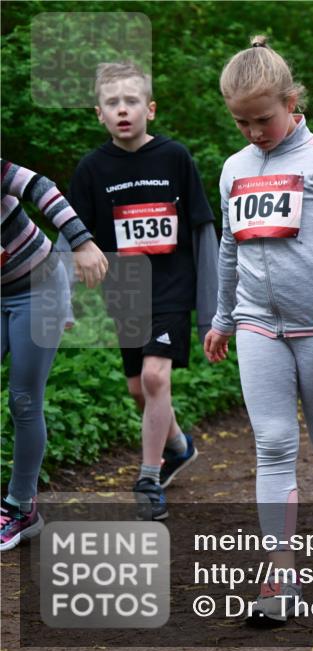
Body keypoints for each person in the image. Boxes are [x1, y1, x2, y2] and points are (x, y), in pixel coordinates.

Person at [204, 36, 313, 628]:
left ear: (291, 100)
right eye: (241, 122)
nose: (253, 132)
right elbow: (230, 248)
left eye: (263, 119)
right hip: (257, 323)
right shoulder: (233, 169)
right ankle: (280, 574)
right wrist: (224, 316)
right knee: (274, 443)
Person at [68, 61, 217, 520]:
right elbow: (73, 234)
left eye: (131, 101)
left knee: (156, 377)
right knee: (138, 387)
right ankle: (177, 446)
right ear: (99, 114)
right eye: (112, 103)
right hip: (126, 293)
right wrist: (66, 296)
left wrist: (211, 310)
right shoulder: (92, 168)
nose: (123, 110)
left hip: (172, 286)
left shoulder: (175, 157)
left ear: (149, 109)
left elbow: (202, 230)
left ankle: (149, 479)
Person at [1, 159, 108, 550]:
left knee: (23, 400)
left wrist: (81, 241)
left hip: (39, 290)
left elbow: (41, 187)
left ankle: (21, 506)